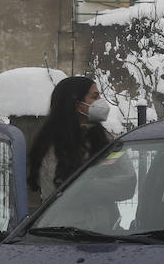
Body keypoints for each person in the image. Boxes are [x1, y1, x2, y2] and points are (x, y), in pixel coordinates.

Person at [27, 76, 114, 207]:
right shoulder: (51, 145)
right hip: (62, 225)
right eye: (95, 97)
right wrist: (104, 185)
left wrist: (88, 185)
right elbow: (61, 193)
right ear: (77, 105)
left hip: (106, 225)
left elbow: (128, 183)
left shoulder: (105, 139)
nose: (101, 102)